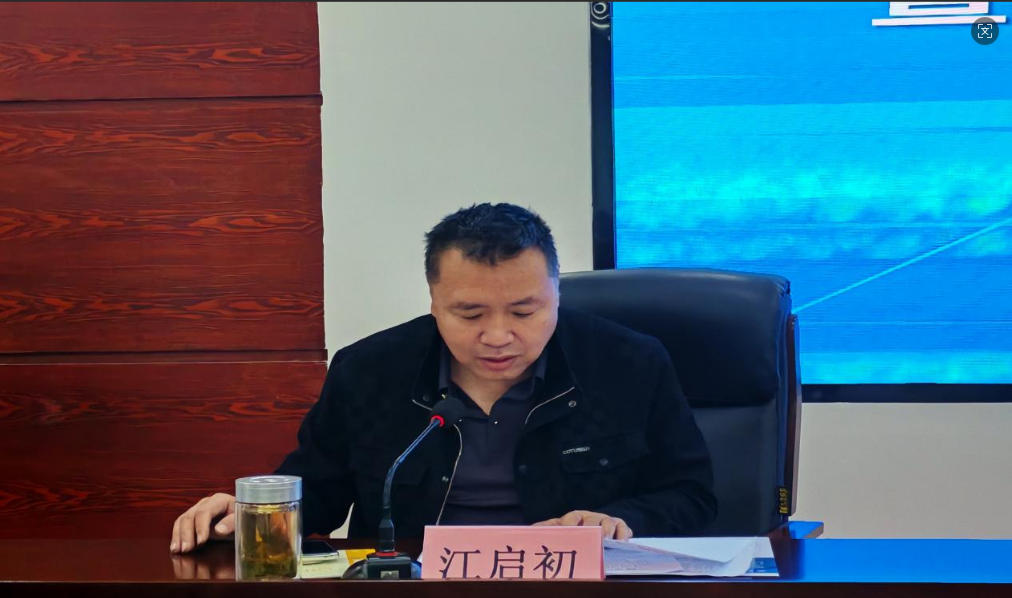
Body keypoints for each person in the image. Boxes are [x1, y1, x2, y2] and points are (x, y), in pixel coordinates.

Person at [170, 203, 715, 554]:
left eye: (524, 311)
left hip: (572, 587)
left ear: (557, 295)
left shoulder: (629, 364)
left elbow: (693, 496)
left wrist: (619, 519)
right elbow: (320, 492)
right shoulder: (370, 371)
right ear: (433, 303)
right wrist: (250, 516)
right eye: (470, 314)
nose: (498, 336)